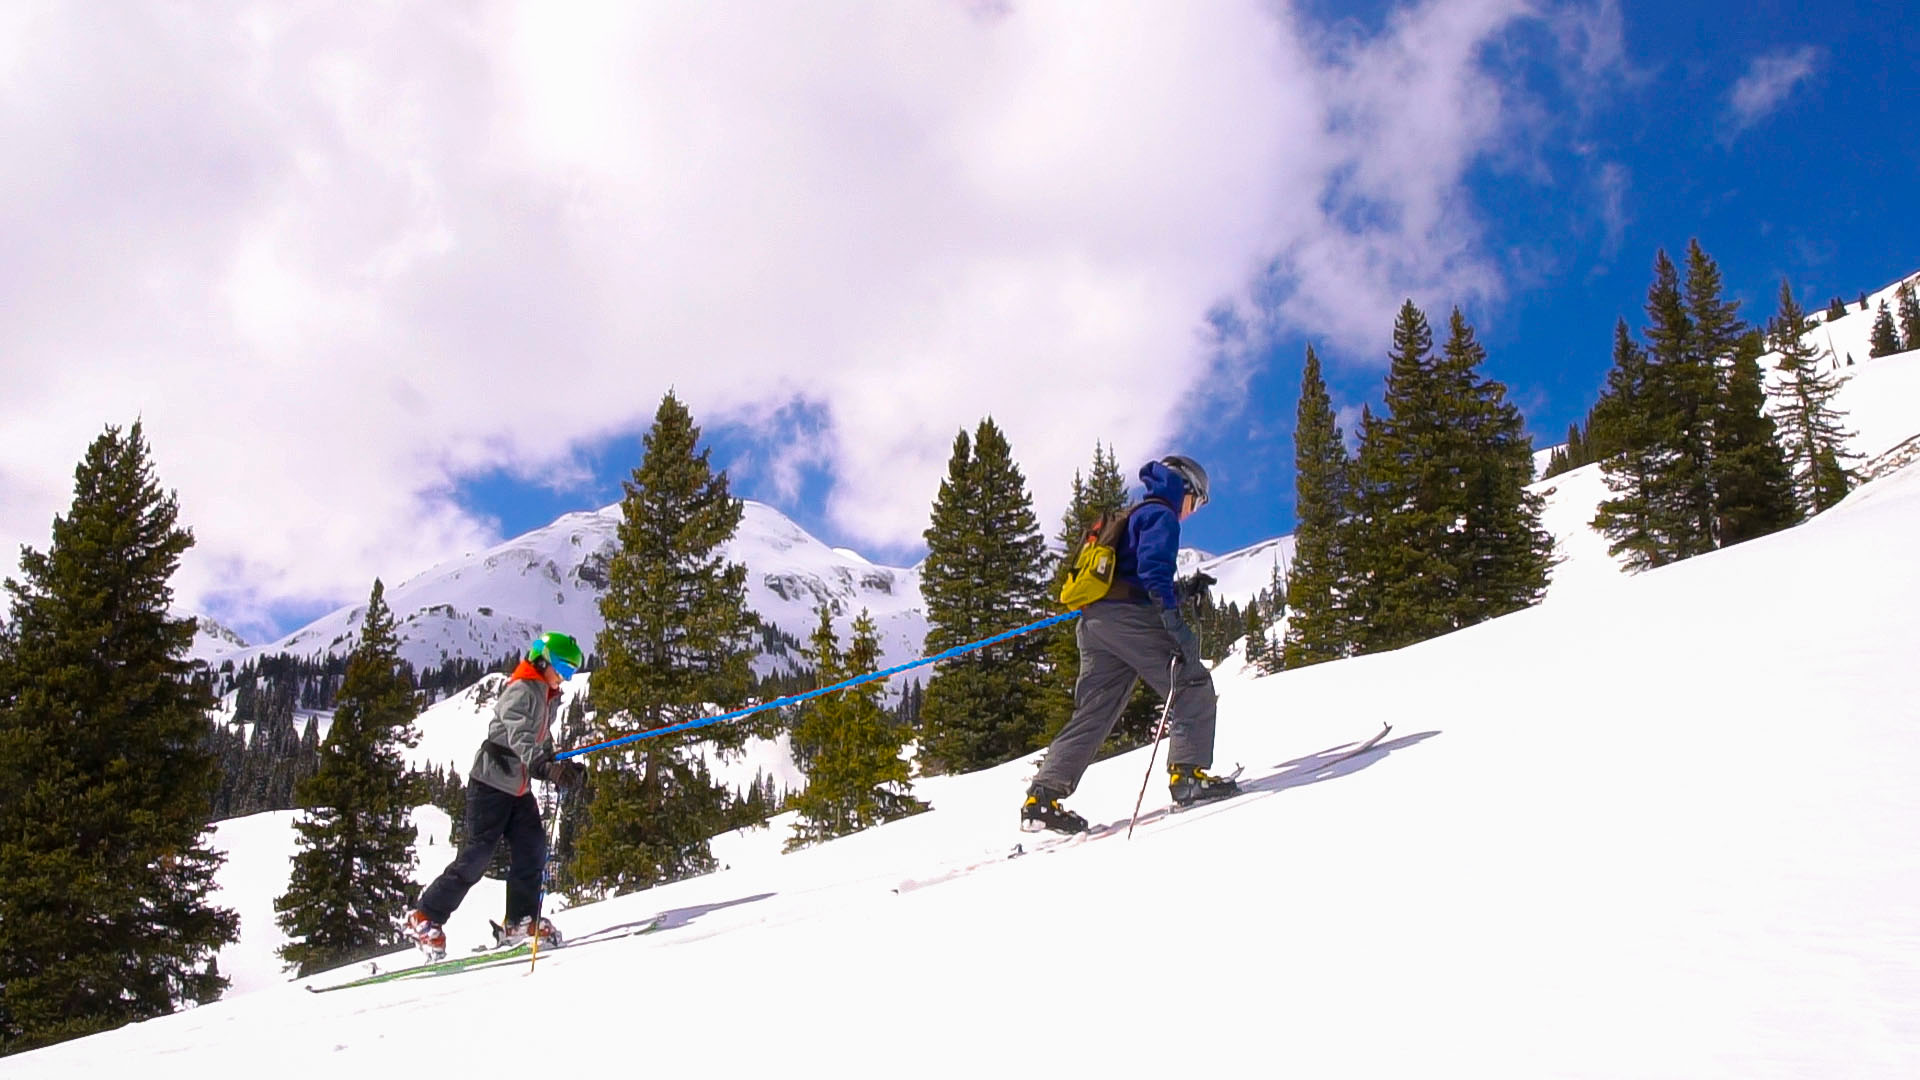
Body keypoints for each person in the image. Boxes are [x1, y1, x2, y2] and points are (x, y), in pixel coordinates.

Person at [1022, 454, 1236, 833]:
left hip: (1095, 623)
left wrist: (1180, 591)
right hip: (1127, 619)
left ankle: (1042, 798)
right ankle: (1188, 777)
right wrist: (1174, 624)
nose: (1194, 511)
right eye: (1198, 501)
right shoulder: (1162, 514)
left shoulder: (1137, 513)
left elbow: (1135, 573)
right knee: (1191, 682)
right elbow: (1153, 572)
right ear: (1186, 488)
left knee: (1096, 708)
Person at [406, 631, 588, 958]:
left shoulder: (547, 693)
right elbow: (520, 738)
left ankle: (520, 920)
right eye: (564, 668)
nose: (566, 677)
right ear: (543, 660)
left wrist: (562, 765)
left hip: (517, 790)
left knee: (532, 849)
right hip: (490, 787)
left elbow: (540, 740)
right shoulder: (522, 690)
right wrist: (544, 768)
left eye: (571, 672)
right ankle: (425, 916)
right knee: (475, 857)